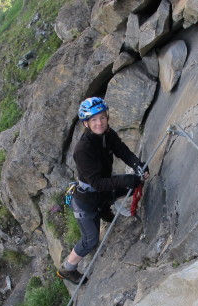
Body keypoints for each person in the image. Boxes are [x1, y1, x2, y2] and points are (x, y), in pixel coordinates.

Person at [57, 97, 149, 284]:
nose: (99, 123)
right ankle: (68, 269)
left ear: (107, 117)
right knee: (90, 240)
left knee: (131, 186)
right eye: (93, 120)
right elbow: (98, 183)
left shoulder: (107, 134)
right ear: (86, 123)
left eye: (102, 117)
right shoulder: (82, 150)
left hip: (100, 194)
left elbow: (121, 150)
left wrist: (137, 164)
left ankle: (105, 209)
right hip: (87, 200)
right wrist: (127, 179)